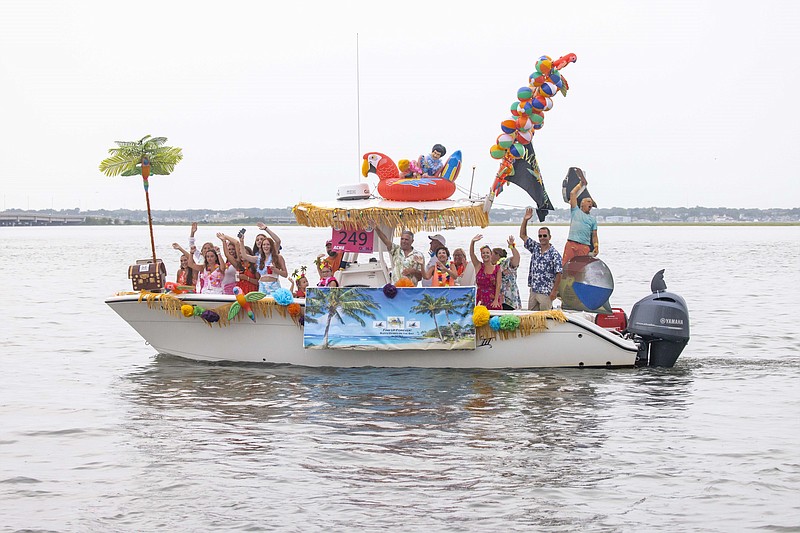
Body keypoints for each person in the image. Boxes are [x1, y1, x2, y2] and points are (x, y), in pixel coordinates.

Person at [520, 207, 563, 310]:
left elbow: (559, 273)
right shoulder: (535, 248)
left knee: (545, 318)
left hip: (546, 291)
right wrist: (525, 220)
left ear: (549, 237)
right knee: (531, 317)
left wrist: (554, 291)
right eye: (540, 236)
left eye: (544, 235)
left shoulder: (554, 254)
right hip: (534, 290)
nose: (542, 238)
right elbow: (522, 235)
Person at [563, 173, 599, 266]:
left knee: (580, 268)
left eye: (591, 202)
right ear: (582, 204)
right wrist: (581, 184)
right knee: (565, 265)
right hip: (571, 244)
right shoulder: (575, 211)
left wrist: (596, 246)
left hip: (584, 247)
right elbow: (572, 194)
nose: (590, 203)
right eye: (588, 201)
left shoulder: (592, 220)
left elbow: (594, 235)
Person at [470, 234, 502, 310]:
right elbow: (472, 254)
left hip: (493, 299)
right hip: (481, 299)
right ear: (481, 255)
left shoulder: (497, 268)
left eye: (487, 253)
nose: (485, 255)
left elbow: (498, 285)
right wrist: (472, 242)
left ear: (491, 255)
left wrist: (496, 300)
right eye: (483, 253)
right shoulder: (478, 266)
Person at [492, 236, 522, 310]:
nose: (490, 256)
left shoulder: (506, 263)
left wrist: (512, 246)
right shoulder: (492, 267)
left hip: (509, 298)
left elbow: (517, 258)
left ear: (497, 255)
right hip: (498, 299)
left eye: (491, 254)